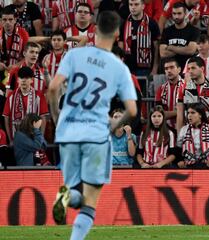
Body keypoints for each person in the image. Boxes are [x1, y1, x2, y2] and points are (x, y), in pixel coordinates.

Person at [48, 11, 137, 240]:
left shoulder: (74, 55)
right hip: (96, 134)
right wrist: (113, 125)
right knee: (90, 201)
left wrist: (58, 117)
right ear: (117, 34)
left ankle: (65, 197)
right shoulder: (119, 68)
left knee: (71, 186)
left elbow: (52, 88)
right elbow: (133, 110)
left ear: (95, 30)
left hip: (67, 131)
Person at [176, 56, 209, 133]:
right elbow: (180, 115)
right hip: (189, 132)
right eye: (188, 69)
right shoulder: (183, 88)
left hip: (208, 131)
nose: (190, 71)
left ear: (202, 69)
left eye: (193, 68)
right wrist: (180, 136)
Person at [2, 66, 48, 142]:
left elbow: (43, 118)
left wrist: (41, 138)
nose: (23, 80)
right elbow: (6, 118)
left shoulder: (39, 96)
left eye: (26, 78)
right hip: (16, 139)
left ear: (32, 80)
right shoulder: (11, 96)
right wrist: (10, 140)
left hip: (34, 139)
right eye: (21, 78)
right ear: (17, 80)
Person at [177, 102, 209, 168]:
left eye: (193, 113)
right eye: (188, 113)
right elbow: (178, 147)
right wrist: (180, 160)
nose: (189, 115)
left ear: (200, 115)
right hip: (188, 165)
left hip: (206, 165)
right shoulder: (184, 129)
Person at [159, 2, 200, 70]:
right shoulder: (166, 31)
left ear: (185, 14)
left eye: (179, 13)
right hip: (169, 70)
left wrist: (171, 47)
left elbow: (190, 51)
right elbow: (163, 53)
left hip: (187, 70)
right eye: (174, 14)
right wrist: (183, 49)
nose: (176, 17)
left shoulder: (194, 31)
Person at [155, 58, 183, 132]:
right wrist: (179, 112)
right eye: (166, 68)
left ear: (179, 69)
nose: (169, 71)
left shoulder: (187, 87)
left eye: (172, 67)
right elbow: (159, 114)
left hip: (185, 128)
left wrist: (167, 113)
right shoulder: (161, 89)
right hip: (166, 129)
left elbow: (189, 112)